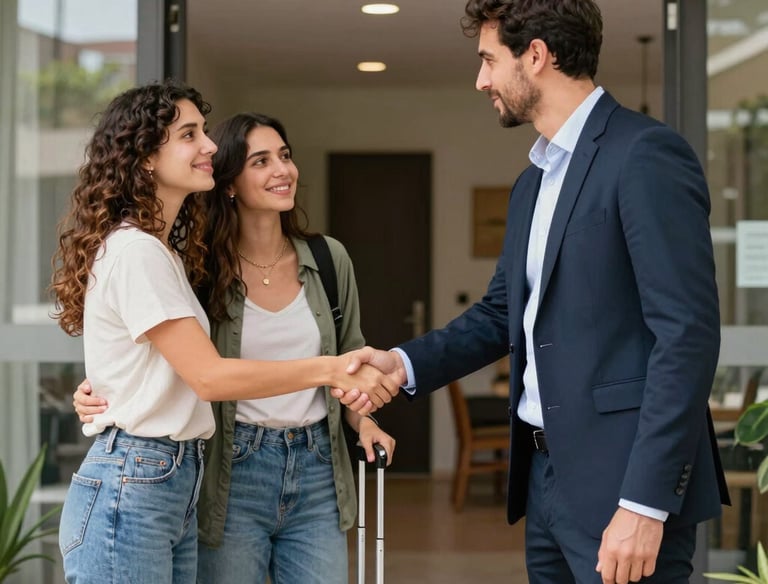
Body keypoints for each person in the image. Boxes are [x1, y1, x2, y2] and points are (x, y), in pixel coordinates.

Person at [338, 1, 730, 583]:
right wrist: (401, 364)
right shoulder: (532, 183)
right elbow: (502, 314)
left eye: (489, 61)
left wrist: (646, 503)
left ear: (537, 56)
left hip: (624, 486)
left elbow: (687, 336)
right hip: (546, 484)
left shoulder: (645, 154)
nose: (481, 80)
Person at [52, 81, 397, 583]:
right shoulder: (146, 253)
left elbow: (149, 359)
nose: (208, 146)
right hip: (157, 472)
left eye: (285, 155)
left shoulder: (163, 252)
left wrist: (110, 389)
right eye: (189, 134)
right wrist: (329, 370)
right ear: (147, 157)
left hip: (175, 477)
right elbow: (208, 376)